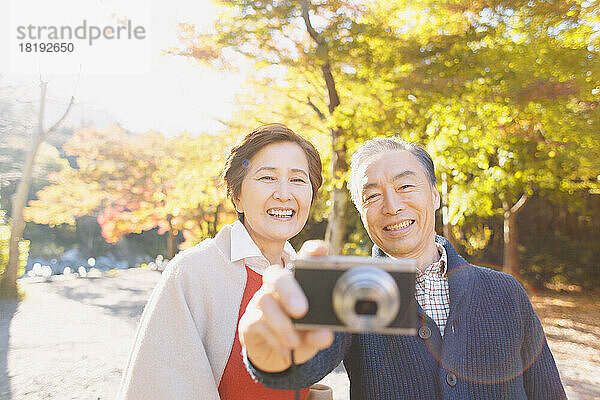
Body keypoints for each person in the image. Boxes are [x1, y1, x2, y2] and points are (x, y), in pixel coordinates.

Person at [239, 137, 567, 399]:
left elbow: (547, 391)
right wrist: (276, 358)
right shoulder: (353, 291)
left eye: (405, 186)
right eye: (371, 196)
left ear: (436, 194)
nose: (392, 206)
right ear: (362, 213)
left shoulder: (505, 290)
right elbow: (307, 362)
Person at [118, 123, 325, 400]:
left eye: (298, 180)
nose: (284, 193)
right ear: (237, 196)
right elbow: (164, 386)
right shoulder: (192, 272)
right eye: (267, 178)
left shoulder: (307, 277)